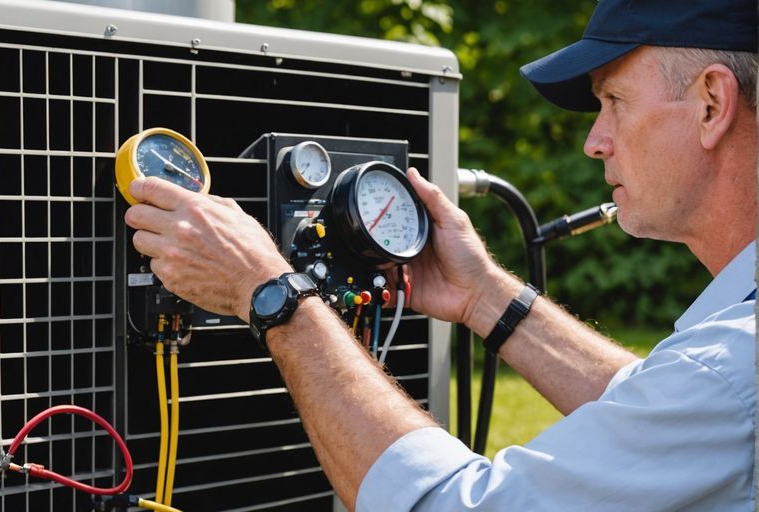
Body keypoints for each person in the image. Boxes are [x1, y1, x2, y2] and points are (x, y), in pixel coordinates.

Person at [123, 0, 759, 509]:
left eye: (613, 101)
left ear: (711, 103)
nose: (596, 142)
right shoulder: (722, 373)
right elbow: (651, 412)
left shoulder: (732, 370)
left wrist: (272, 291)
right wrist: (484, 294)